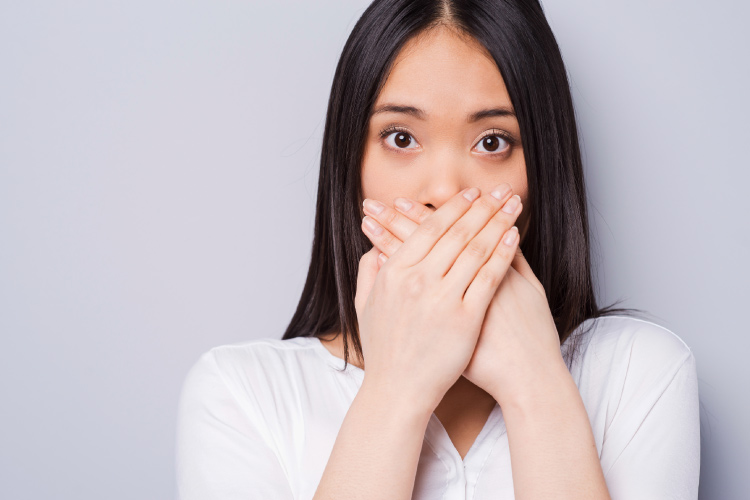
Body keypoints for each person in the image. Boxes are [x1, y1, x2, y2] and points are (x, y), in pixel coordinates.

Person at [175, 1, 700, 498]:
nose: (444, 191)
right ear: (350, 165)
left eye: (493, 141)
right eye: (401, 138)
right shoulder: (241, 395)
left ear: (542, 167)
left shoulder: (637, 372)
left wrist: (537, 385)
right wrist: (396, 390)